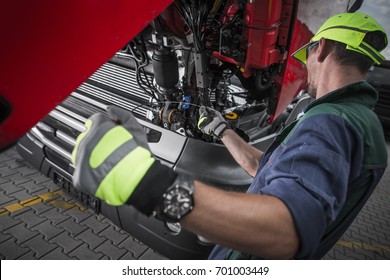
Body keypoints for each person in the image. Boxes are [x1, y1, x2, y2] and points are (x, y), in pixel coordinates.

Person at [71, 12, 388, 259]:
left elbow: (285, 229)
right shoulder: (362, 122)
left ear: (322, 49)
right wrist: (222, 129)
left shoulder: (330, 122)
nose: (305, 69)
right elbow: (263, 166)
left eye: (307, 56)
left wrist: (143, 182)